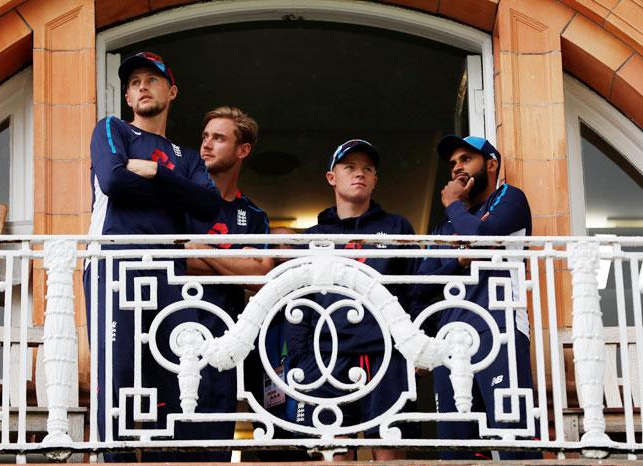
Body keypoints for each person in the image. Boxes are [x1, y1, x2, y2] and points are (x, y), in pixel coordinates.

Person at [83, 51, 221, 462]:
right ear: (127, 97)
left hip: (169, 270)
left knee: (181, 369)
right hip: (116, 261)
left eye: (152, 79)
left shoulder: (187, 157)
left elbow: (209, 208)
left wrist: (158, 172)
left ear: (171, 90)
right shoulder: (112, 129)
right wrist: (178, 194)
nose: (142, 86)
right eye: (134, 82)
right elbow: (113, 180)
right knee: (119, 373)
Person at [286, 139, 416, 461]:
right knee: (336, 449)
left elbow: (415, 292)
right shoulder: (311, 238)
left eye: (367, 169)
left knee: (389, 446)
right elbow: (298, 305)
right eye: (350, 167)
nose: (359, 174)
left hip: (386, 353)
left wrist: (415, 349)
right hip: (327, 355)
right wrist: (303, 361)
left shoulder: (397, 227)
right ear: (332, 177)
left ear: (375, 180)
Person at [416, 134, 541, 460]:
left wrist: (454, 204)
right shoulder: (443, 230)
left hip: (499, 327)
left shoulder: (509, 197)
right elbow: (421, 285)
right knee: (455, 449)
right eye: (453, 163)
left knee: (513, 440)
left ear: (491, 164)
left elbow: (482, 238)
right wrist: (459, 260)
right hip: (450, 340)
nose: (457, 167)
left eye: (465, 160)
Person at [184, 106, 274, 462]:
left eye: (218, 138)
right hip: (175, 337)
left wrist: (202, 248)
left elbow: (261, 275)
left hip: (226, 341)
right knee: (175, 447)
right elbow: (172, 259)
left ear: (242, 150)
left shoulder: (252, 216)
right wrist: (233, 261)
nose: (206, 145)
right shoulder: (182, 201)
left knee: (216, 449)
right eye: (205, 137)